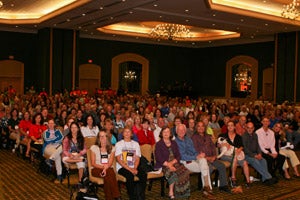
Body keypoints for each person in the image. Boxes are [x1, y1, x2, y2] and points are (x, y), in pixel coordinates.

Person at [175, 124, 214, 199]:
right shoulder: (175, 142)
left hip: (193, 159)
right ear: (176, 131)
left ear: (185, 131)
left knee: (203, 160)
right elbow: (182, 156)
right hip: (184, 162)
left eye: (183, 130)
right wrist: (196, 156)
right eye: (179, 130)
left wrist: (199, 155)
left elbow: (194, 151)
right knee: (205, 167)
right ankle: (207, 189)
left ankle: (206, 188)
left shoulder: (188, 139)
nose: (181, 131)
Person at [192, 121, 231, 193]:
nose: (201, 128)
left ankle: (223, 186)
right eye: (199, 126)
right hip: (202, 159)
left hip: (212, 158)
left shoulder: (207, 136)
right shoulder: (194, 137)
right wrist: (207, 158)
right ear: (196, 128)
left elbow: (213, 147)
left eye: (202, 126)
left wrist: (214, 156)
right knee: (209, 168)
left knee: (221, 166)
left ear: (205, 128)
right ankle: (206, 187)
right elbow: (196, 150)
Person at [155, 127, 190, 199]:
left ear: (170, 134)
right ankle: (171, 192)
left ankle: (183, 193)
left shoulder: (174, 143)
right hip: (163, 165)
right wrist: (169, 165)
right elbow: (159, 158)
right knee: (172, 173)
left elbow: (178, 155)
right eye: (164, 132)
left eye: (168, 132)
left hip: (175, 163)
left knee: (185, 171)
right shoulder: (159, 144)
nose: (166, 133)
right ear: (161, 133)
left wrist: (172, 162)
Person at [115, 127, 147, 200]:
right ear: (122, 134)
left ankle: (141, 195)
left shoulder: (135, 144)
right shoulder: (119, 144)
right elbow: (119, 159)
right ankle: (132, 196)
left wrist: (135, 168)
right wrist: (130, 169)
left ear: (132, 134)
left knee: (143, 174)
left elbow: (137, 158)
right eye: (125, 132)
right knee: (130, 176)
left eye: (128, 132)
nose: (127, 133)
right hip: (122, 167)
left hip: (134, 165)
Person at [90, 129, 121, 200]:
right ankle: (116, 196)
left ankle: (109, 198)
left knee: (107, 176)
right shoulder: (94, 148)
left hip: (108, 168)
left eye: (104, 136)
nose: (102, 138)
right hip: (96, 169)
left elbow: (110, 163)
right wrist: (103, 168)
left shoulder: (112, 148)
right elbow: (93, 163)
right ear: (98, 138)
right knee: (110, 173)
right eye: (100, 136)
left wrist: (105, 169)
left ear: (107, 137)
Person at [218, 121, 251, 187]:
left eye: (232, 125)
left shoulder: (238, 136)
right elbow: (217, 145)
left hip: (236, 154)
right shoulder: (222, 135)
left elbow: (241, 146)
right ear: (227, 127)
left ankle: (248, 181)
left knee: (244, 162)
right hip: (225, 155)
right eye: (228, 125)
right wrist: (222, 145)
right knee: (235, 158)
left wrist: (239, 149)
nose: (230, 127)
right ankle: (233, 178)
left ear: (234, 127)